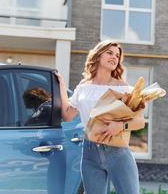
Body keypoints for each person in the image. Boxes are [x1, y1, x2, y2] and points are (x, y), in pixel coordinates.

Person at [55, 40, 146, 194]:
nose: (114, 57)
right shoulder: (84, 87)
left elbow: (139, 121)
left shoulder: (124, 88)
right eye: (109, 53)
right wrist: (62, 87)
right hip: (90, 152)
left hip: (118, 152)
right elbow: (68, 115)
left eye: (117, 55)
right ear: (98, 55)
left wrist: (120, 126)